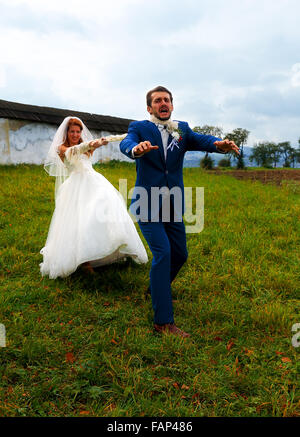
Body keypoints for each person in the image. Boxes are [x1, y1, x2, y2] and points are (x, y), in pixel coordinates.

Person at [120, 86, 239, 338]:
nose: (163, 103)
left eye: (167, 100)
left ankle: (156, 288)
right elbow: (126, 142)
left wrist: (219, 144)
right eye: (157, 100)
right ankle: (163, 322)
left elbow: (200, 140)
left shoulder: (181, 128)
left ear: (172, 105)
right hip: (147, 202)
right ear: (150, 107)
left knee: (180, 254)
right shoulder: (139, 127)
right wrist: (135, 149)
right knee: (163, 254)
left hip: (172, 203)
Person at [40, 116, 148, 279]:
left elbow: (88, 148)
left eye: (78, 131)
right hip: (76, 186)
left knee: (107, 207)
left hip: (94, 181)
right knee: (80, 220)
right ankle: (84, 261)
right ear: (66, 133)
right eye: (72, 131)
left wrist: (100, 143)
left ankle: (115, 247)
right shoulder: (61, 148)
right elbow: (74, 151)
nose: (75, 134)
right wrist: (91, 144)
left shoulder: (87, 147)